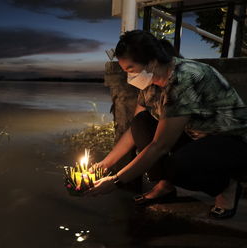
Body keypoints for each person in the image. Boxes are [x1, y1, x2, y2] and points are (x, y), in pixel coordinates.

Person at [84, 30, 247, 219]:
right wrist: (104, 165)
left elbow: (160, 146)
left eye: (130, 69)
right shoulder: (150, 83)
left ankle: (226, 187)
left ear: (152, 62)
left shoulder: (185, 78)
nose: (128, 76)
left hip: (229, 141)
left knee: (177, 166)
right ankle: (165, 185)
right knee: (141, 122)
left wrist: (115, 181)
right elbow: (135, 130)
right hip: (195, 135)